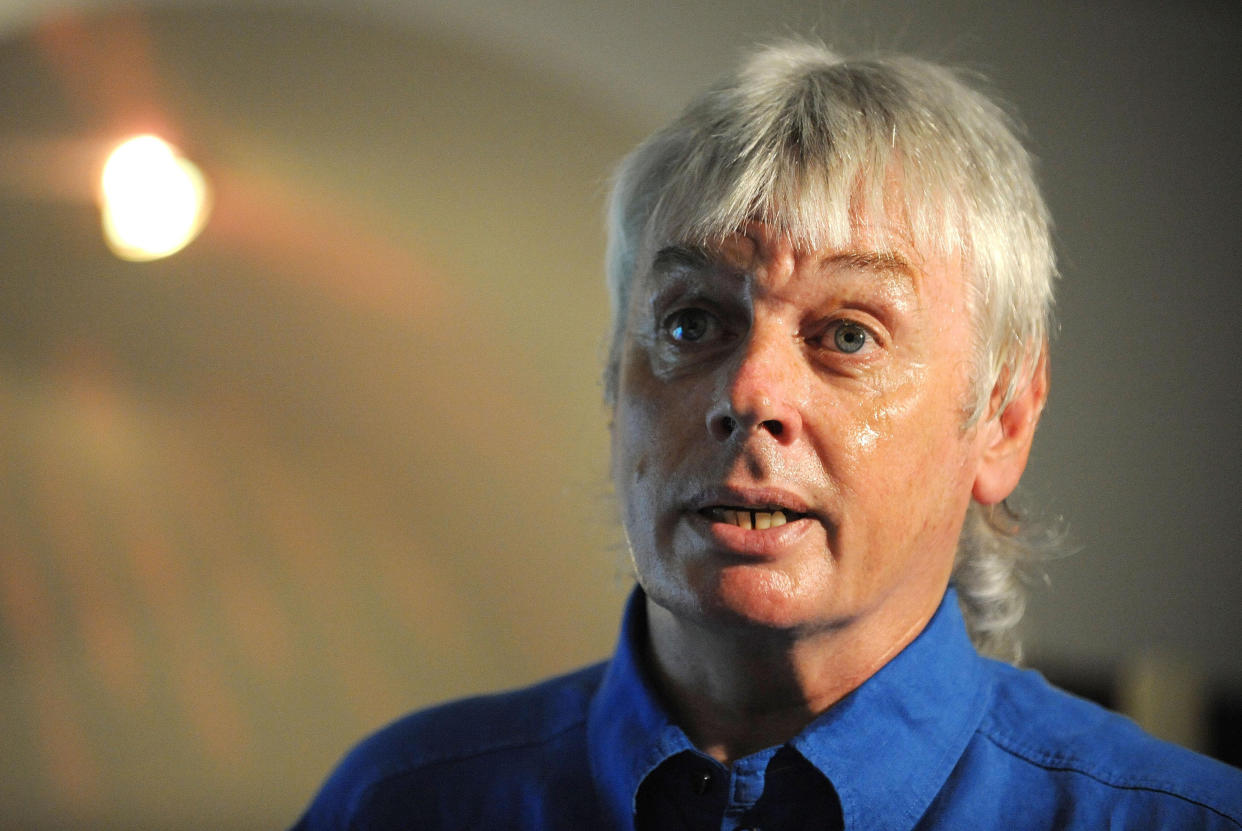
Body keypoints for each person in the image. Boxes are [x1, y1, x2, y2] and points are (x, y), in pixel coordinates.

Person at [290, 41, 1242, 830]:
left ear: (1002, 417)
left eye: (848, 335)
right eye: (690, 323)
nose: (750, 391)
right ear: (611, 385)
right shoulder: (403, 803)